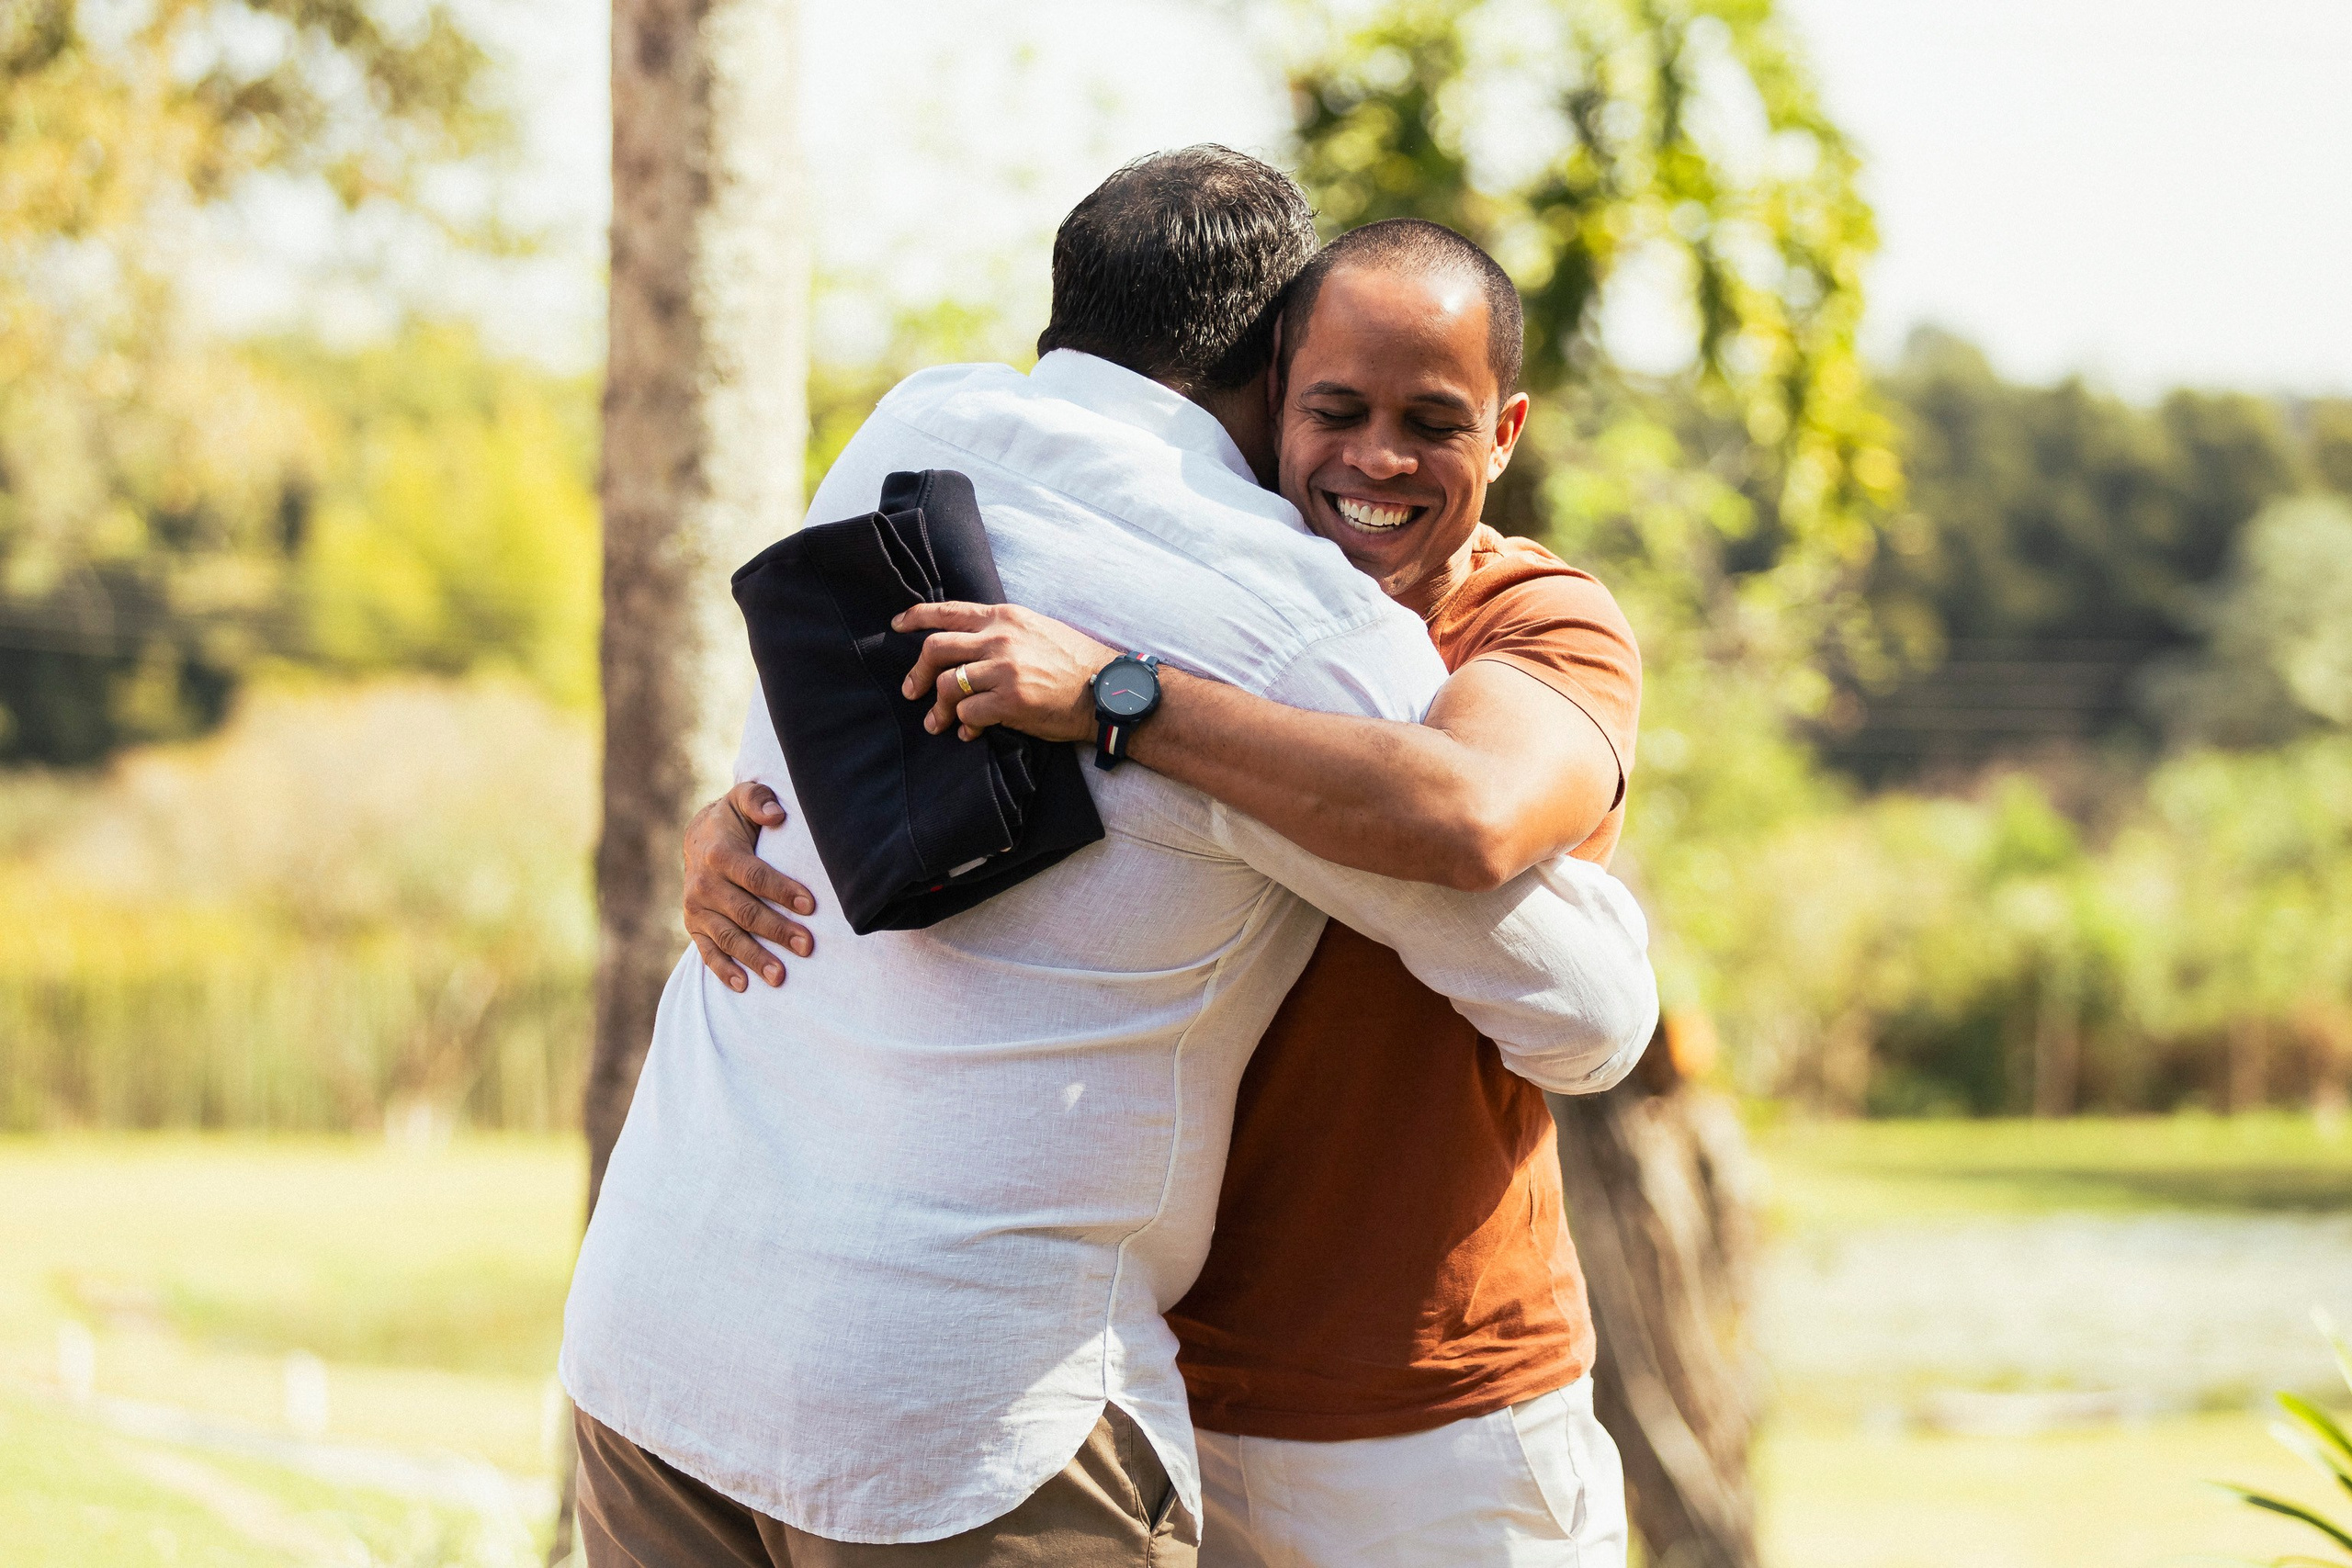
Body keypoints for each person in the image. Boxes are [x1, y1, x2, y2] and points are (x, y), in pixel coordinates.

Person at [563, 149, 1657, 1568]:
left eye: (1424, 420)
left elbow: (1463, 815)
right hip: (968, 1418)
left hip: (659, 1343)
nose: (1372, 457)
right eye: (1335, 403)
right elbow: (1591, 1008)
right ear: (1281, 359)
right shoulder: (1289, 624)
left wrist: (1103, 703)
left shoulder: (899, 441)